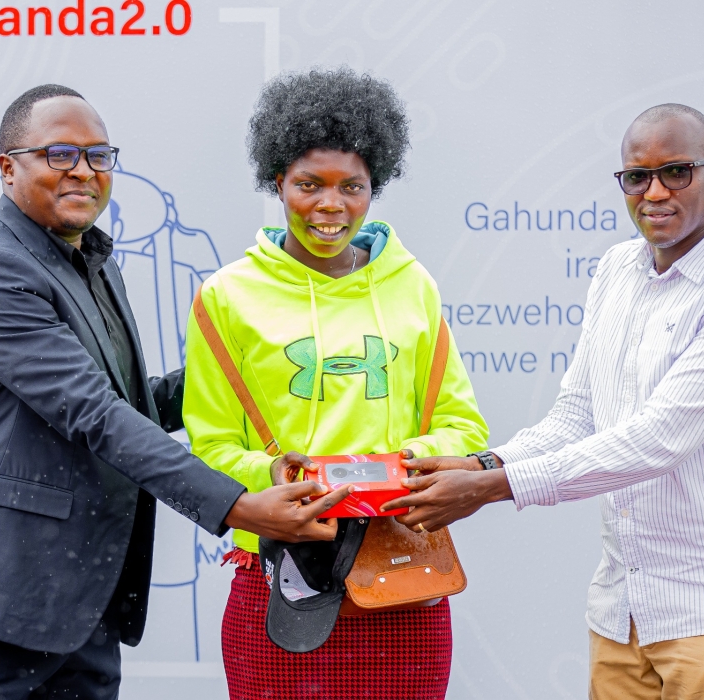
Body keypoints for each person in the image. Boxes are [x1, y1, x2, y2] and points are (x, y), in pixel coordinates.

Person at [0, 84, 351, 700]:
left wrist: (250, 364)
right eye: (58, 154)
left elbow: (133, 404)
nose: (82, 171)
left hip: (79, 602)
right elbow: (96, 415)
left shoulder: (88, 259)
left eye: (97, 156)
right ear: (8, 168)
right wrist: (239, 506)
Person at [388, 104, 704, 700]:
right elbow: (578, 415)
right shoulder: (616, 269)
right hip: (622, 613)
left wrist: (493, 488)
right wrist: (484, 464)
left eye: (677, 172)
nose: (655, 192)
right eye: (637, 176)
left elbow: (656, 441)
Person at [182, 67, 489, 699]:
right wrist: (279, 478)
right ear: (278, 182)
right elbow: (209, 448)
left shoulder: (412, 286)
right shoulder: (227, 297)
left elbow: (463, 428)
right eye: (309, 185)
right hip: (282, 581)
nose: (331, 205)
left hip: (403, 578)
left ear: (375, 186)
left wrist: (398, 468)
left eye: (353, 186)